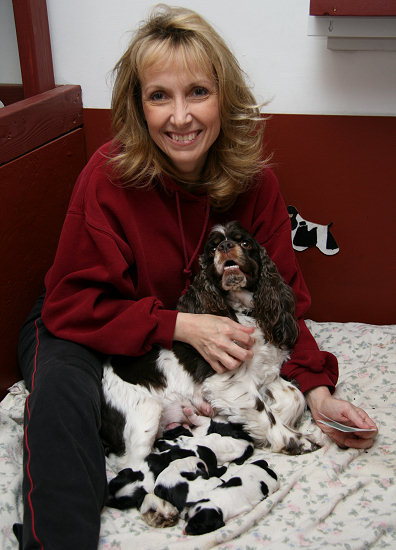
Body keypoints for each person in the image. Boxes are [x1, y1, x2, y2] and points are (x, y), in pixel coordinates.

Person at [16, 4, 377, 549]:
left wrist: (320, 392)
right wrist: (179, 326)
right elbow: (69, 305)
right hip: (86, 319)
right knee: (61, 398)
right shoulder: (107, 177)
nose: (180, 117)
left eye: (198, 93)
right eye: (160, 95)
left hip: (176, 356)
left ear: (223, 96)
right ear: (139, 107)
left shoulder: (256, 185)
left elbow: (286, 306)